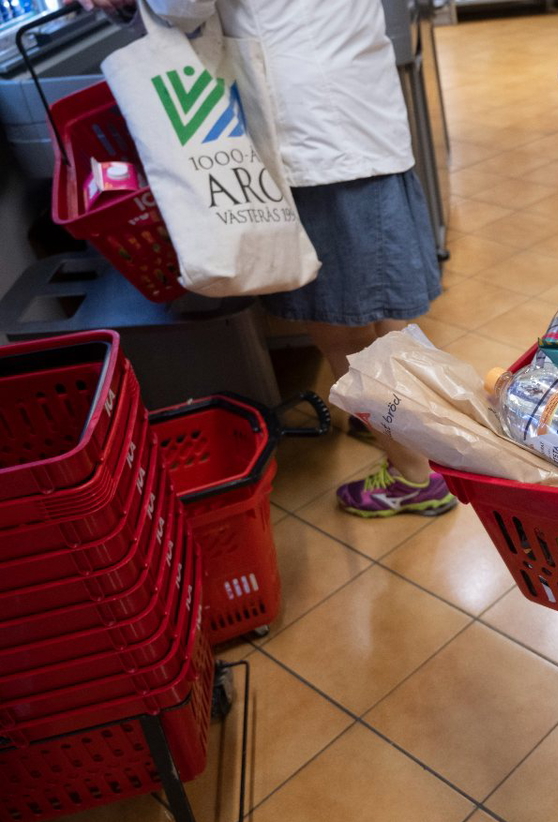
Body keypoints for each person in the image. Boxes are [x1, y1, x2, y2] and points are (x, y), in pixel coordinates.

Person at [82, 0, 456, 520]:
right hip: (354, 105)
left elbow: (184, 7)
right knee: (374, 312)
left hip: (312, 134)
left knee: (343, 331)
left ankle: (414, 475)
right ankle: (421, 437)